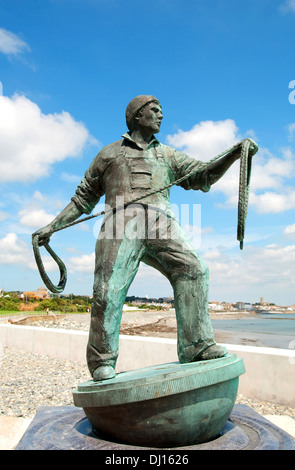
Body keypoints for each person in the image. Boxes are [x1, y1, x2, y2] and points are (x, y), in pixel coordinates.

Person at [32, 95, 258, 381]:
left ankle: (196, 346)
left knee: (194, 269)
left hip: (161, 223)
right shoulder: (108, 154)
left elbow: (203, 176)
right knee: (108, 290)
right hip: (119, 224)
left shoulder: (168, 155)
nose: (161, 115)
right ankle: (102, 361)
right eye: (155, 110)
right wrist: (51, 226)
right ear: (137, 115)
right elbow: (82, 199)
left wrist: (235, 154)